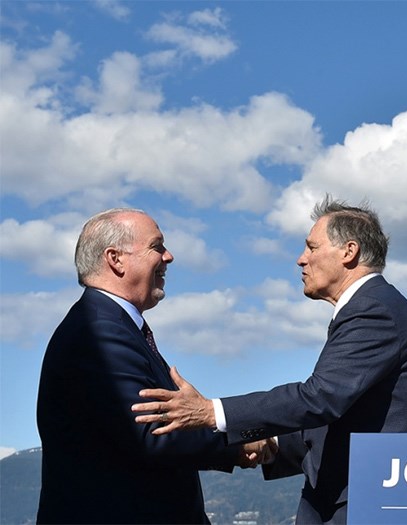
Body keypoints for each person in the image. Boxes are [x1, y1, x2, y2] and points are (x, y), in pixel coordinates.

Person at [132, 197, 407, 524]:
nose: (301, 260)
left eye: (311, 247)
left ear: (348, 252)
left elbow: (320, 398)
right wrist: (273, 442)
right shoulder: (371, 308)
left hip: (372, 505)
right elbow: (341, 418)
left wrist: (212, 412)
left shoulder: (373, 311)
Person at [36, 208, 264, 525]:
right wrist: (237, 439)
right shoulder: (99, 330)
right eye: (157, 246)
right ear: (115, 259)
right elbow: (152, 432)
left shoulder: (115, 328)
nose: (168, 256)